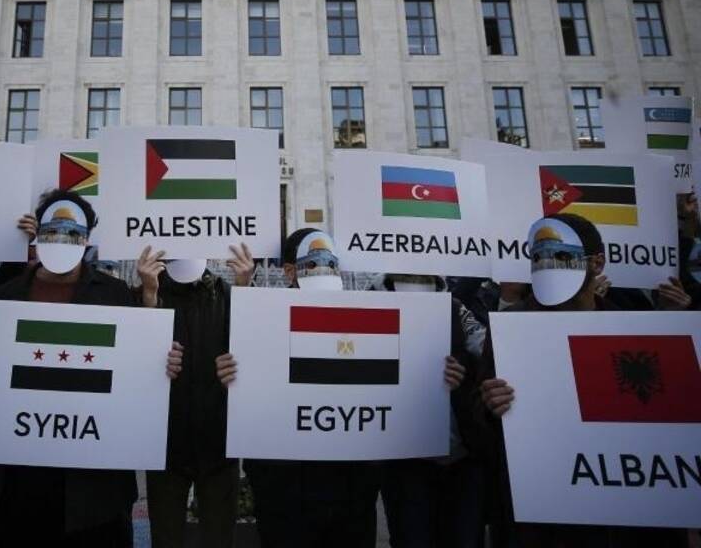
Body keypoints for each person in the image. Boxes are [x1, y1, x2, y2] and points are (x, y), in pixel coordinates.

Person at [0, 189, 182, 547]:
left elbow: (139, 368)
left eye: (73, 232)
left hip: (96, 491)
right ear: (38, 234)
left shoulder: (115, 293)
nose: (63, 240)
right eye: (54, 230)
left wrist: (159, 361)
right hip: (18, 486)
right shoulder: (2, 299)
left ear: (88, 239)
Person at [215, 229, 466, 548]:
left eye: (331, 266)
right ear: (289, 271)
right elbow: (239, 379)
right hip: (283, 487)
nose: (325, 272)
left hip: (351, 489)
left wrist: (441, 377)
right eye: (314, 265)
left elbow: (405, 374)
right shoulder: (261, 319)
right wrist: (229, 374)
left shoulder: (365, 313)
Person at [477, 213, 690, 548]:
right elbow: (485, 431)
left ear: (597, 262)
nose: (548, 267)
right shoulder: (510, 329)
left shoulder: (632, 328)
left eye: (561, 257)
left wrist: (676, 337)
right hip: (544, 520)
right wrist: (490, 406)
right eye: (538, 257)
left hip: (627, 518)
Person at [145, 246, 255, 548]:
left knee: (220, 538)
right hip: (165, 445)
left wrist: (246, 287)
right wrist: (148, 298)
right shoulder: (149, 293)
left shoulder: (228, 295)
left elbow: (258, 351)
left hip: (218, 443)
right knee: (165, 538)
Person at [371, 274, 484, 548]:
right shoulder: (370, 301)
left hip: (460, 456)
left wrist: (465, 374)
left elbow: (492, 351)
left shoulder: (455, 307)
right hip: (403, 460)